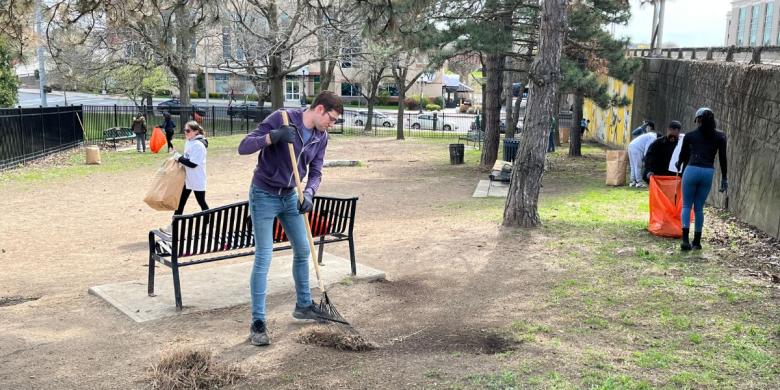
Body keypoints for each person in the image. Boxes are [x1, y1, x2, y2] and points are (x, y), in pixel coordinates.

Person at [237, 90, 343, 346]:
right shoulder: (282, 118)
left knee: (303, 249)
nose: (333, 123)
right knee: (264, 256)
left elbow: (316, 171)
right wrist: (271, 138)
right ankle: (258, 322)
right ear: (320, 109)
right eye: (332, 118)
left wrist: (309, 192)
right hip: (264, 194)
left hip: (290, 196)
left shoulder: (321, 137)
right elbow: (244, 147)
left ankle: (304, 304)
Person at [676, 107, 727, 251]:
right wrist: (725, 177)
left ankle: (685, 240)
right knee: (699, 207)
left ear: (698, 120)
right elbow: (723, 158)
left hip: (692, 170)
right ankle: (697, 242)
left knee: (686, 205)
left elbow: (683, 155)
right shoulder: (720, 136)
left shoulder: (691, 135)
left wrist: (678, 164)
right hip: (707, 172)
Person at [164, 121, 210, 231]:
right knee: (180, 202)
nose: (186, 132)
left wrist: (178, 157)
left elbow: (192, 164)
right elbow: (186, 158)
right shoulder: (189, 142)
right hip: (187, 178)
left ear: (196, 132)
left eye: (188, 130)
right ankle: (173, 227)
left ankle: (207, 224)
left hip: (197, 178)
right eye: (185, 130)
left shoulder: (199, 145)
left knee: (202, 202)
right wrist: (177, 157)